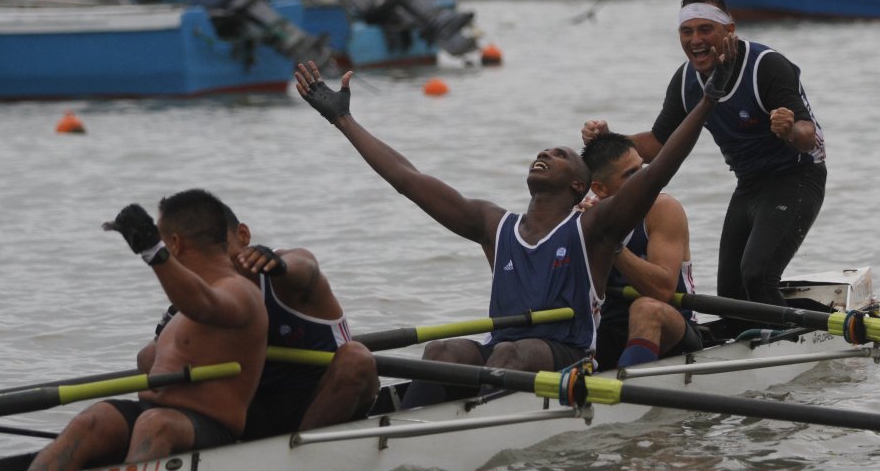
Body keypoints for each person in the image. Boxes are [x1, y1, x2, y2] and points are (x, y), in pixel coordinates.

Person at [292, 53, 731, 397]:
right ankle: (408, 431)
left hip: (568, 355)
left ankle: (480, 429)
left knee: (510, 352)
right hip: (505, 352)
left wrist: (707, 101)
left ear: (581, 185)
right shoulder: (492, 224)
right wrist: (343, 120)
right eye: (543, 151)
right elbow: (409, 179)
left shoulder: (594, 228)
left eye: (559, 154)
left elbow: (659, 172)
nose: (546, 153)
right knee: (442, 351)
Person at [582, 0, 826, 321]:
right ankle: (766, 336)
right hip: (749, 184)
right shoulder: (685, 81)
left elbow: (808, 136)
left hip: (797, 177)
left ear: (730, 31)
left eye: (705, 30)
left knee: (756, 273)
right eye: (687, 32)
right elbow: (656, 144)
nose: (696, 41)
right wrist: (609, 138)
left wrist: (789, 131)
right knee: (730, 291)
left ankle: (808, 332)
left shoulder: (766, 66)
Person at [30, 190, 268, 471]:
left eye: (164, 240)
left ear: (175, 244)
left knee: (155, 425)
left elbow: (204, 305)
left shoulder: (241, 292)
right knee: (92, 420)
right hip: (151, 411)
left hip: (207, 426)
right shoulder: (182, 308)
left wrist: (153, 251)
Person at [139, 201, 380, 441]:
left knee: (356, 358)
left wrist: (282, 267)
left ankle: (301, 456)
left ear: (243, 235)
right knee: (150, 355)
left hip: (327, 400)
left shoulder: (284, 273)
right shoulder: (193, 301)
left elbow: (305, 264)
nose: (206, 261)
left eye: (217, 247)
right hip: (249, 412)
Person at [580, 132, 703, 369]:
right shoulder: (585, 216)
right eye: (632, 174)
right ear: (600, 188)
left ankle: (624, 392)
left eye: (643, 168)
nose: (647, 178)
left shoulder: (663, 209)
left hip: (671, 334)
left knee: (645, 308)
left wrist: (611, 244)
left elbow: (662, 290)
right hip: (608, 334)